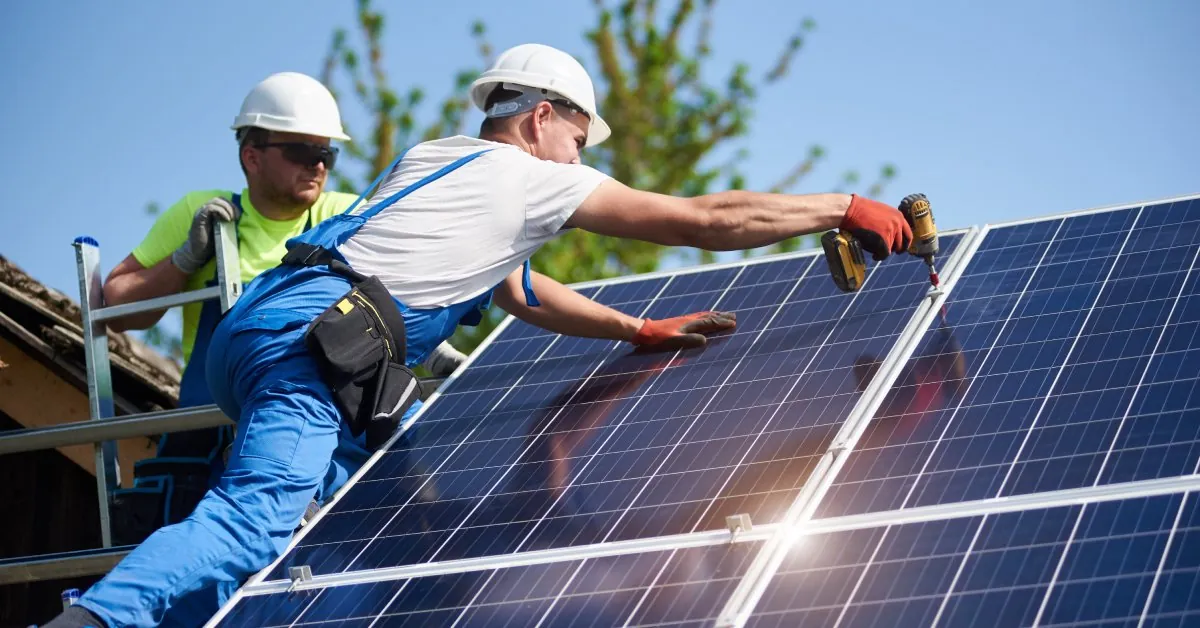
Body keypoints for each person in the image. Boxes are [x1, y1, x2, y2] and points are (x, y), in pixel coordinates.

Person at [51, 43, 912, 627]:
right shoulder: (531, 179)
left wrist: (632, 326)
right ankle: (92, 618)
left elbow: (518, 290)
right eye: (577, 137)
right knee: (255, 518)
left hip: (273, 328)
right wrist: (841, 206)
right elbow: (704, 218)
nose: (579, 159)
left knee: (356, 523)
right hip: (313, 350)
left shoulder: (432, 158)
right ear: (541, 117)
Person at [100, 71, 467, 544]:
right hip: (213, 433)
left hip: (316, 426)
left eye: (326, 154)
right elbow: (115, 306)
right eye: (301, 151)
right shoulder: (203, 213)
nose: (317, 165)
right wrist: (185, 259)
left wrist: (428, 346)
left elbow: (399, 296)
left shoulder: (344, 214)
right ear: (251, 156)